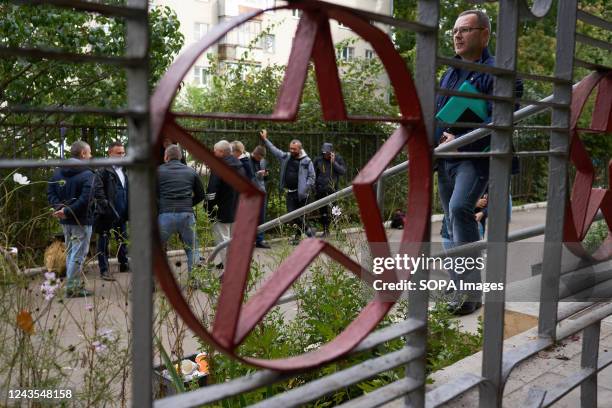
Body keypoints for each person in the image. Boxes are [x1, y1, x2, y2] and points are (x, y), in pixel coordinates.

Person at [435, 10, 523, 315]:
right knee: (450, 221)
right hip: (446, 158)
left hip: (475, 157)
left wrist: (461, 141)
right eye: (455, 30)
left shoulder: (497, 70)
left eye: (465, 30)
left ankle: (470, 292)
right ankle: (458, 283)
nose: (457, 35)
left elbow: (501, 118)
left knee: (461, 209)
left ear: (484, 34)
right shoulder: (450, 72)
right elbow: (439, 114)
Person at [47, 140, 103, 297]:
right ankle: (72, 289)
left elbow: (50, 193)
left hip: (65, 219)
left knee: (71, 252)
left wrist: (61, 210)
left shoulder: (57, 172)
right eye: (89, 152)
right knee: (78, 254)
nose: (91, 156)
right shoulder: (88, 174)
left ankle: (73, 285)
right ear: (83, 154)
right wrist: (67, 210)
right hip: (81, 220)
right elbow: (86, 199)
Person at [259, 129, 315, 245]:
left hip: (302, 193)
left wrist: (306, 187)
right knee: (292, 214)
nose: (291, 150)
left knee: (301, 216)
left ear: (300, 149)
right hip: (290, 192)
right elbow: (275, 150)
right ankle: (309, 231)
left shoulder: (307, 161)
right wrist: (265, 140)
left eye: (294, 149)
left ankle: (297, 238)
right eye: (290, 148)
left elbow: (312, 176)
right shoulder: (286, 157)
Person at [158, 144, 206, 273]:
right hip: (187, 216)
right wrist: (188, 204)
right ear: (180, 157)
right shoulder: (191, 171)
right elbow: (201, 195)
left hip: (164, 215)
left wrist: (161, 206)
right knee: (192, 249)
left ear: (166, 157)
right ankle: (194, 281)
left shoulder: (158, 171)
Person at [205, 140, 246, 269]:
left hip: (221, 210)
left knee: (223, 242)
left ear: (221, 152)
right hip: (237, 209)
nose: (213, 153)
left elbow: (212, 190)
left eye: (215, 151)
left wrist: (208, 206)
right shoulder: (239, 165)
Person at [94, 141, 129, 281]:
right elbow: (98, 190)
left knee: (122, 238)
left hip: (122, 210)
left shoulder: (125, 169)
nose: (122, 155)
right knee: (103, 241)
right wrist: (106, 206)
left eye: (123, 153)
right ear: (110, 153)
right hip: (107, 212)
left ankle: (124, 263)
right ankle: (104, 270)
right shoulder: (103, 169)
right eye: (118, 153)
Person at [313, 143, 346, 236]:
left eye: (327, 153)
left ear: (331, 152)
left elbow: (342, 171)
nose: (325, 155)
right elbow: (313, 174)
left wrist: (333, 162)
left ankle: (338, 230)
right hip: (320, 189)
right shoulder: (318, 159)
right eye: (324, 153)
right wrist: (314, 187)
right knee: (323, 212)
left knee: (335, 211)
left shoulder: (338, 158)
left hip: (333, 190)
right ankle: (325, 230)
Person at [250, 145, 271, 248]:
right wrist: (257, 174)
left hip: (261, 192)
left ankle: (260, 240)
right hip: (250, 193)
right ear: (255, 154)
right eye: (259, 158)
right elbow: (247, 177)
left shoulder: (262, 162)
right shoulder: (247, 161)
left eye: (262, 158)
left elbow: (265, 179)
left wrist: (266, 175)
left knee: (261, 217)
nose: (260, 160)